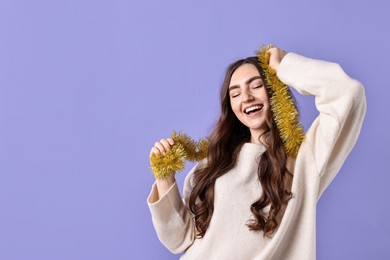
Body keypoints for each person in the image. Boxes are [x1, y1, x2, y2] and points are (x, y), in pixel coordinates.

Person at [147, 46, 366, 259]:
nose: (246, 97)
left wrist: (284, 65)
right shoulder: (212, 165)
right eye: (235, 94)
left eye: (256, 85)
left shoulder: (304, 161)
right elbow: (180, 240)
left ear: (274, 89)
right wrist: (164, 180)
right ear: (231, 107)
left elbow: (348, 93)